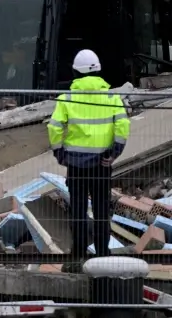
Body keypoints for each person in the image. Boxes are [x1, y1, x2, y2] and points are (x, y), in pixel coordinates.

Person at [47, 49, 130, 273]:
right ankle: (103, 252)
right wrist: (115, 152)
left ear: (75, 72)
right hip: (102, 164)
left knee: (78, 210)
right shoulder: (111, 97)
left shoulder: (67, 98)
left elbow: (54, 127)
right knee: (102, 210)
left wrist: (59, 153)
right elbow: (122, 126)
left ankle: (79, 253)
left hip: (76, 165)